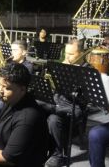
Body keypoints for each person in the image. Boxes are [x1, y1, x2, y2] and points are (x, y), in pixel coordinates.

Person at [44, 38, 85, 167]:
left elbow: (84, 100)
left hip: (75, 106)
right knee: (38, 107)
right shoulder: (63, 65)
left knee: (53, 118)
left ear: (82, 53)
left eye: (71, 54)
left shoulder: (87, 70)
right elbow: (53, 89)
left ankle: (58, 154)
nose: (67, 57)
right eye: (66, 53)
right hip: (58, 102)